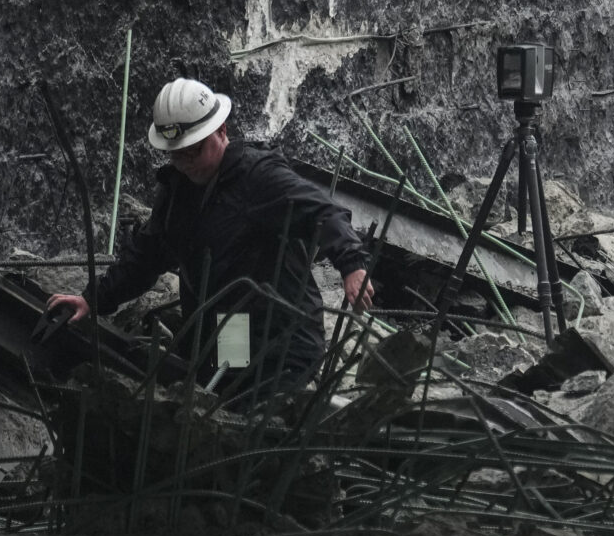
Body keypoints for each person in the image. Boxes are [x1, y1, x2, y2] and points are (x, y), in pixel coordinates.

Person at [48, 77, 374, 401]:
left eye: (195, 151)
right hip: (230, 330)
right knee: (222, 408)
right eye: (178, 155)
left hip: (283, 338)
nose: (187, 163)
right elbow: (146, 257)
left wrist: (352, 265)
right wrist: (93, 299)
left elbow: (324, 213)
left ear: (221, 132)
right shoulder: (177, 193)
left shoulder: (259, 177)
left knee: (265, 424)